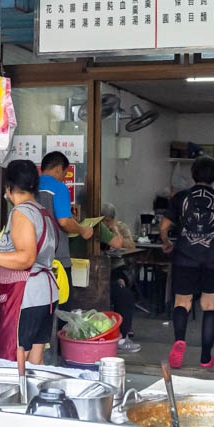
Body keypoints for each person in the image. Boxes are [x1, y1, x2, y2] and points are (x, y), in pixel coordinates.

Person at [0, 160, 59, 365]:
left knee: (15, 363)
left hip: (25, 296)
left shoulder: (21, 213)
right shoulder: (41, 212)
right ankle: (33, 397)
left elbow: (26, 257)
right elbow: (12, 245)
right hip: (44, 296)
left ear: (9, 187)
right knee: (35, 362)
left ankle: (14, 398)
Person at [160, 157, 214, 369]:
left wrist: (167, 243)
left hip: (185, 258)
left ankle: (179, 340)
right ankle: (205, 357)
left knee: (182, 303)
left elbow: (163, 227)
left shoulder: (180, 198)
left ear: (193, 175)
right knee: (209, 306)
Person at [37, 151, 93, 299]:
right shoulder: (58, 188)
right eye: (64, 173)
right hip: (57, 260)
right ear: (58, 168)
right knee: (61, 306)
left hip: (33, 259)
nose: (64, 178)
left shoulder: (30, 187)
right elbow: (64, 222)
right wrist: (82, 230)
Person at [99, 203, 141, 353]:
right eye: (103, 220)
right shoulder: (97, 227)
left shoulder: (120, 227)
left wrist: (115, 230)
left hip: (116, 268)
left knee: (124, 294)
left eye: (108, 220)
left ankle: (123, 333)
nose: (106, 224)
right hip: (98, 269)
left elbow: (130, 245)